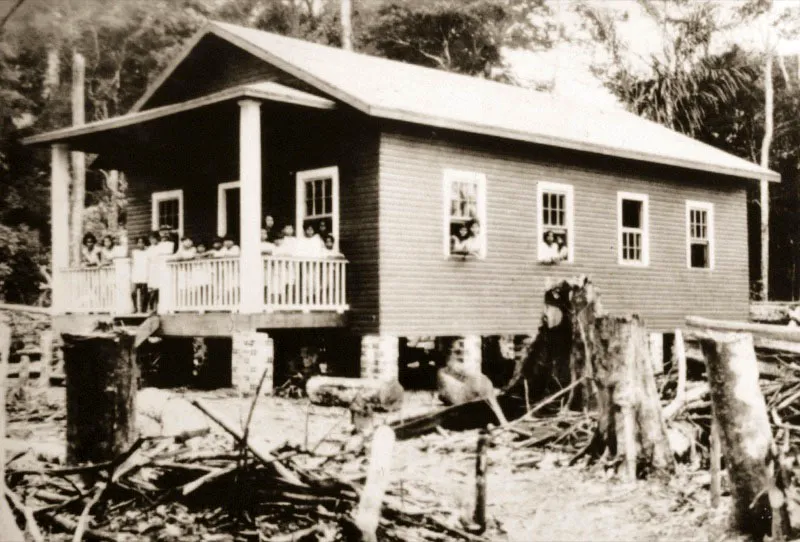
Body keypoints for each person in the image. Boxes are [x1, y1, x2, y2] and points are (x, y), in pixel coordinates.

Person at [130, 236, 150, 313]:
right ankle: (135, 308)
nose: (140, 244)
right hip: (136, 273)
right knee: (133, 292)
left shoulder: (148, 252)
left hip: (144, 273)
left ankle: (143, 309)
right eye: (138, 242)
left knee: (144, 292)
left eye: (142, 242)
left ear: (145, 243)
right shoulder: (134, 252)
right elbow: (132, 262)